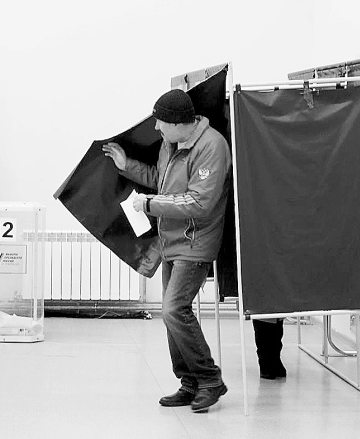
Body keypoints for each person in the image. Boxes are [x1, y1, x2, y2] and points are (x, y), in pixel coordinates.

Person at [102, 89, 231, 412]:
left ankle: (210, 379)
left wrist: (149, 204)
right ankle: (189, 384)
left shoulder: (212, 147)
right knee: (170, 314)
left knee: (174, 310)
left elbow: (200, 203)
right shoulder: (170, 144)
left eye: (161, 121)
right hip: (170, 241)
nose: (156, 127)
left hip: (195, 242)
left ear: (177, 122)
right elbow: (161, 180)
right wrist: (127, 165)